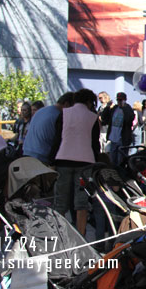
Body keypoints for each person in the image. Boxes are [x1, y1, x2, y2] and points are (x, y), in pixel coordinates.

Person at [50, 89, 100, 236]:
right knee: (81, 202)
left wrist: (51, 160)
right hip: (85, 162)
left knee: (60, 201)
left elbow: (57, 139)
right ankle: (81, 235)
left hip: (63, 159)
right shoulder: (93, 117)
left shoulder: (64, 114)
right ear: (90, 102)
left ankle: (58, 235)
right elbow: (95, 144)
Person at [23, 92, 75, 165]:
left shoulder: (42, 111)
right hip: (41, 157)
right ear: (66, 104)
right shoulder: (58, 116)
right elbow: (59, 141)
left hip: (27, 152)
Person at [102, 92, 134, 165]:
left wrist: (124, 108)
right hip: (113, 138)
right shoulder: (115, 108)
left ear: (125, 100)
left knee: (121, 160)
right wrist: (107, 107)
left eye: (121, 100)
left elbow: (129, 120)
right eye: (118, 100)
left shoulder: (128, 109)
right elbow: (105, 118)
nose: (119, 102)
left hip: (122, 139)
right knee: (112, 159)